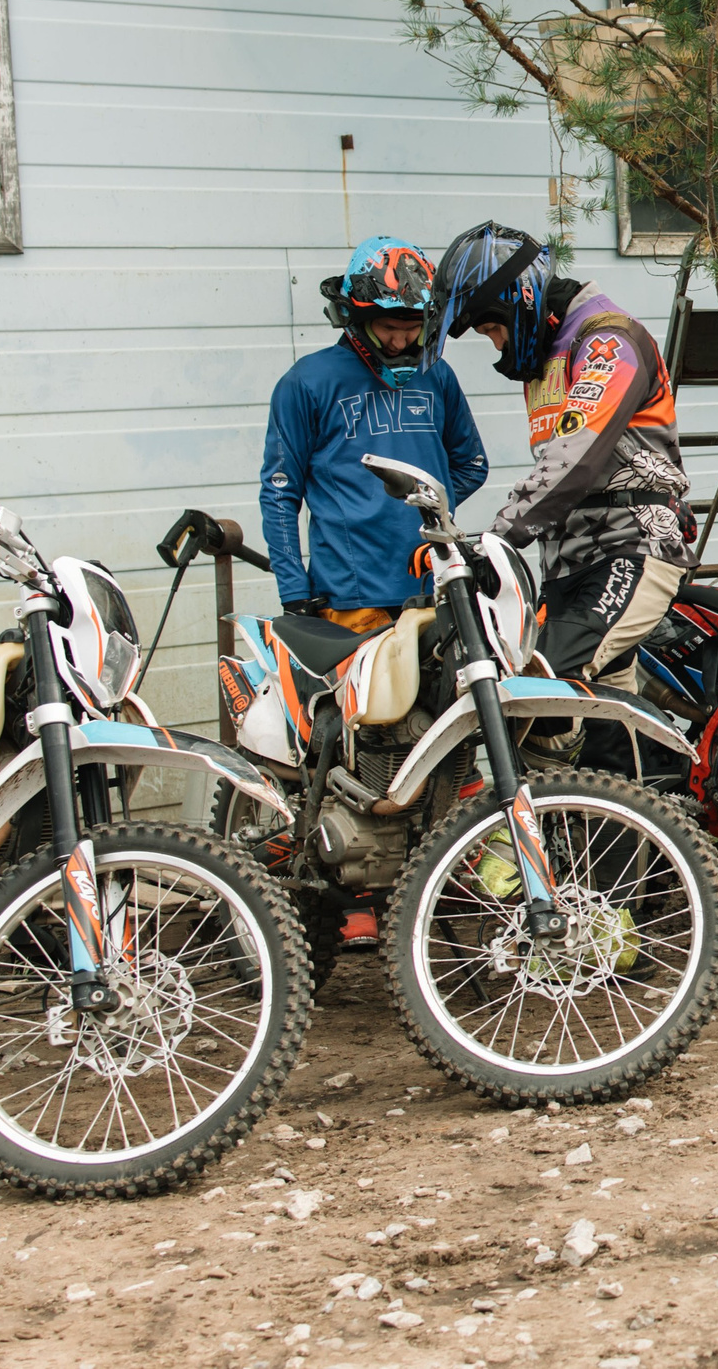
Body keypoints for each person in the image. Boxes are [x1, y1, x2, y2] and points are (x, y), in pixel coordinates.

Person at [262, 234, 490, 947]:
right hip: (348, 592)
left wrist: (427, 517)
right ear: (356, 316)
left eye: (412, 323)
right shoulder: (308, 382)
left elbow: (471, 462)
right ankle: (357, 888)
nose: (401, 335)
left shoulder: (437, 378)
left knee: (445, 733)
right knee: (368, 745)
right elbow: (279, 492)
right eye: (388, 323)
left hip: (430, 593)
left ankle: (440, 882)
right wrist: (295, 589)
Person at [426, 223, 694, 766]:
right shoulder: (547, 358)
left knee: (543, 683)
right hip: (570, 563)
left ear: (517, 299)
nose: (497, 344)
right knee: (607, 729)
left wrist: (493, 540)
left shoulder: (607, 342)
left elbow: (574, 460)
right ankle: (636, 835)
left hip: (633, 548)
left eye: (491, 329)